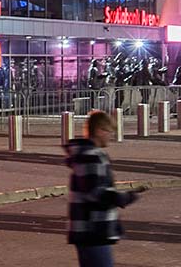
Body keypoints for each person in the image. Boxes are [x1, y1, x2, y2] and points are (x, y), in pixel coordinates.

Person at [66, 110, 139, 267]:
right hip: (93, 229)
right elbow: (95, 193)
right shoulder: (92, 156)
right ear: (99, 130)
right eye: (109, 131)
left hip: (87, 228)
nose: (111, 135)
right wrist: (123, 198)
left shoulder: (84, 154)